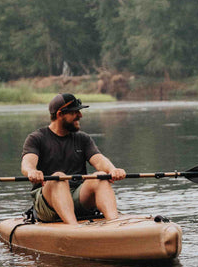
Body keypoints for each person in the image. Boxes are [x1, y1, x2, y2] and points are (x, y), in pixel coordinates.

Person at [21, 93, 126, 223]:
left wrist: (112, 169)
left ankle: (115, 225)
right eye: (75, 112)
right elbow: (27, 163)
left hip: (77, 196)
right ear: (60, 114)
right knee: (58, 178)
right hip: (48, 202)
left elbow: (99, 160)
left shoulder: (83, 139)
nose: (80, 115)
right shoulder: (36, 138)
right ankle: (73, 228)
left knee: (100, 177)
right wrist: (31, 171)